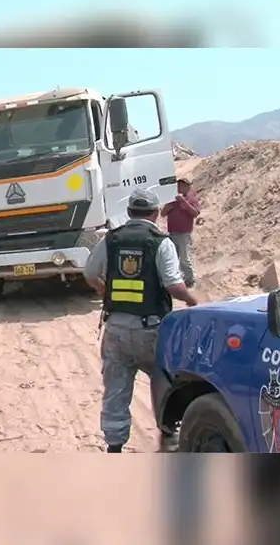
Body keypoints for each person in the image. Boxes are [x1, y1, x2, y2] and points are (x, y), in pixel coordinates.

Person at [84, 188, 200, 453]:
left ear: (128, 213)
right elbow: (174, 285)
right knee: (165, 382)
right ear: (156, 213)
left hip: (116, 329)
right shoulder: (161, 242)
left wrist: (105, 291)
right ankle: (168, 436)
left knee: (116, 388)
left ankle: (114, 446)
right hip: (152, 331)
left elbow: (90, 273)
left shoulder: (111, 240)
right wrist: (194, 302)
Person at [161, 177, 201, 288]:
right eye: (178, 185)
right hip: (172, 232)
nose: (180, 188)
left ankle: (189, 279)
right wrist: (169, 206)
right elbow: (163, 214)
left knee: (184, 258)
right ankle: (176, 280)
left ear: (188, 187)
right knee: (173, 257)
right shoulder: (172, 199)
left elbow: (195, 213)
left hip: (184, 233)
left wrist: (184, 203)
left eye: (182, 185)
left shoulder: (191, 198)